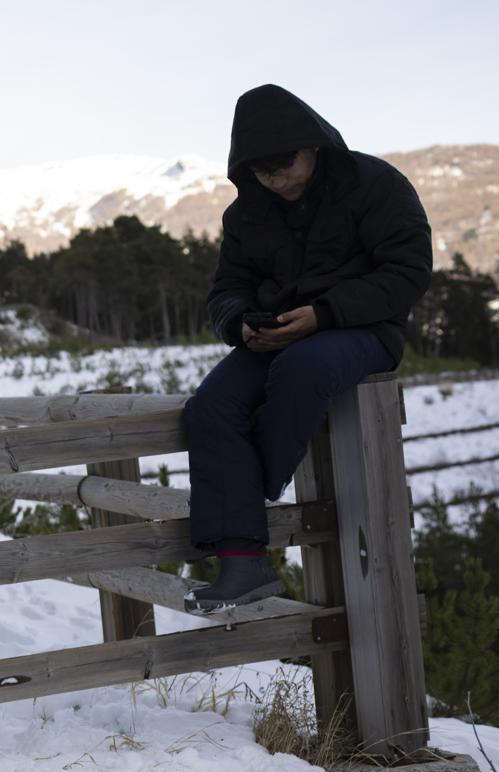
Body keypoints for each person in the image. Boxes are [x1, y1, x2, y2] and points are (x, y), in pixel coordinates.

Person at [184, 84, 432, 609]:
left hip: (363, 329)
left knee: (302, 368)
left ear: (313, 145)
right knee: (209, 408)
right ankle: (242, 563)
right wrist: (241, 327)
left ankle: (250, 492)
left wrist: (326, 314)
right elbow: (226, 291)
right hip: (275, 336)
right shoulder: (245, 213)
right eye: (263, 172)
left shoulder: (375, 184)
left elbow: (408, 272)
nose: (277, 180)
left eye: (285, 166)